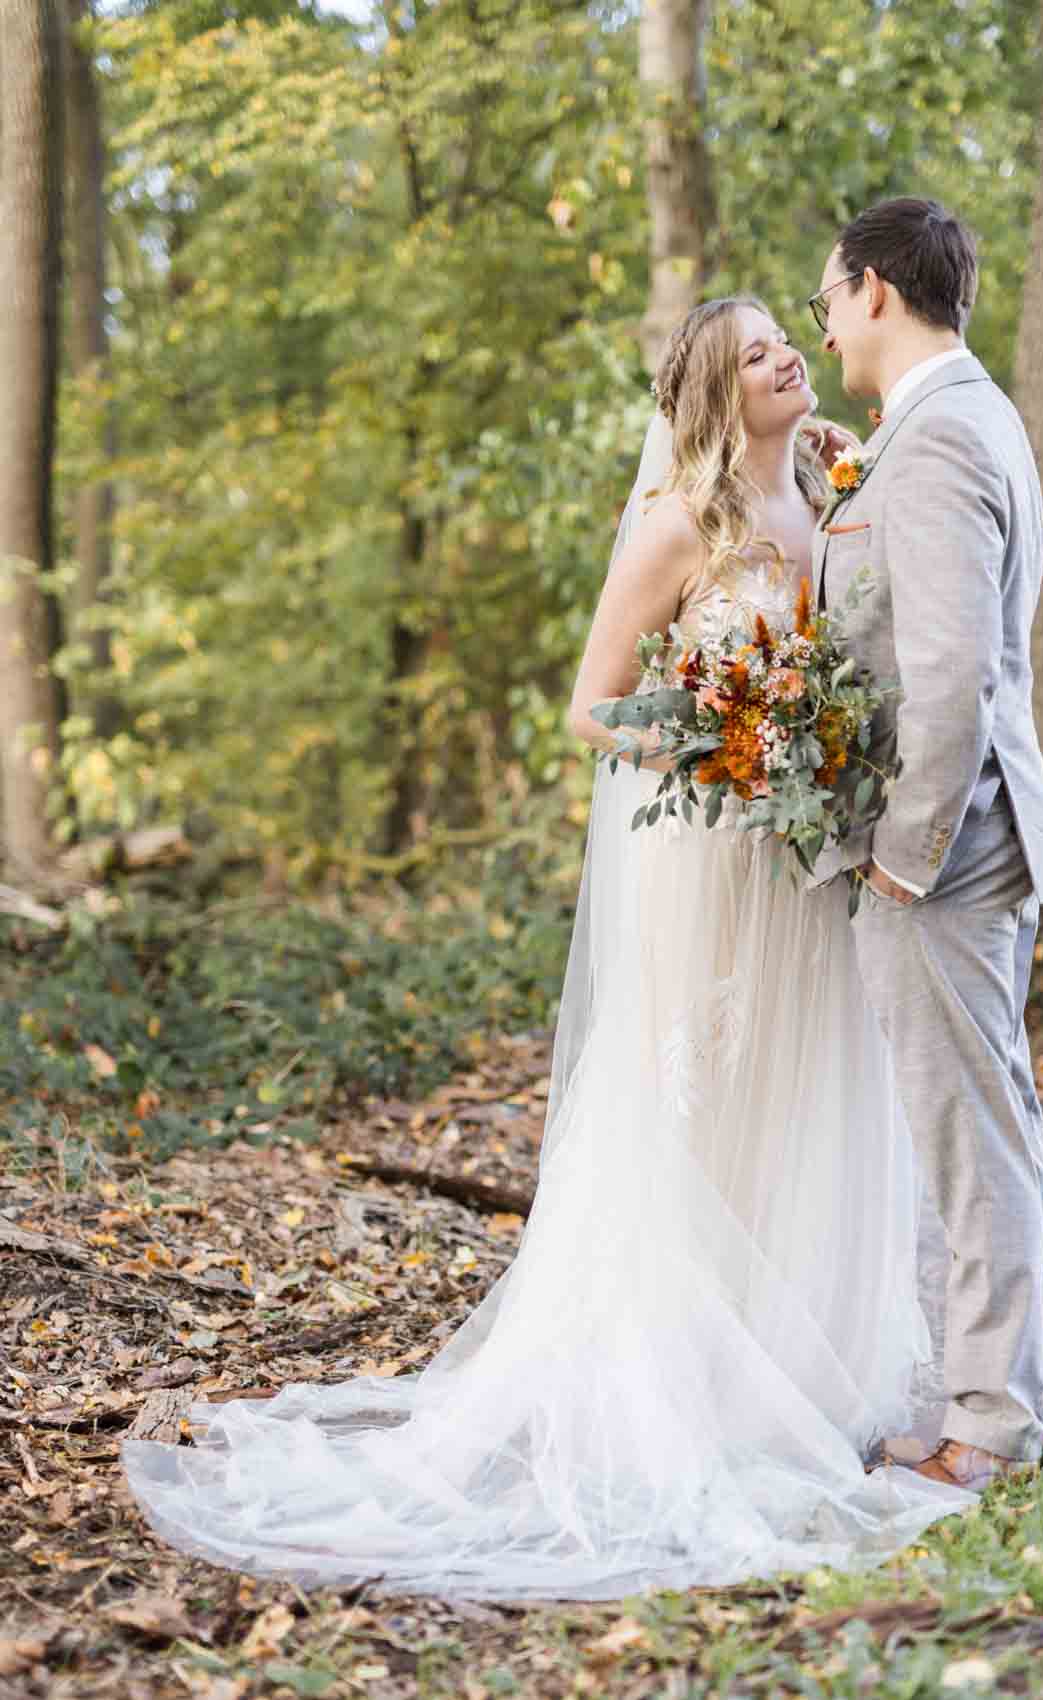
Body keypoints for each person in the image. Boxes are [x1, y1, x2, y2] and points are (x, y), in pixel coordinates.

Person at [120, 291, 980, 1602]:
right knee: (695, 1101)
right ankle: (682, 1384)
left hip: (806, 864)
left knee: (804, 1093)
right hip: (703, 851)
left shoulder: (830, 491)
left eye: (784, 340)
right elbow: (593, 705)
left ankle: (794, 1384)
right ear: (709, 393)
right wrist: (728, 746)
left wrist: (832, 758)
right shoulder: (674, 522)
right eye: (756, 353)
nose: (787, 357)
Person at [807, 196, 1043, 1492]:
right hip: (968, 835)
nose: (821, 322)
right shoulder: (958, 420)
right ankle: (990, 1397)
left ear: (871, 291)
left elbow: (953, 675)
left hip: (948, 849)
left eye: (824, 297)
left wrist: (903, 849)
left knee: (967, 1140)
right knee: (972, 1129)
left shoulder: (943, 436)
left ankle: (990, 1429)